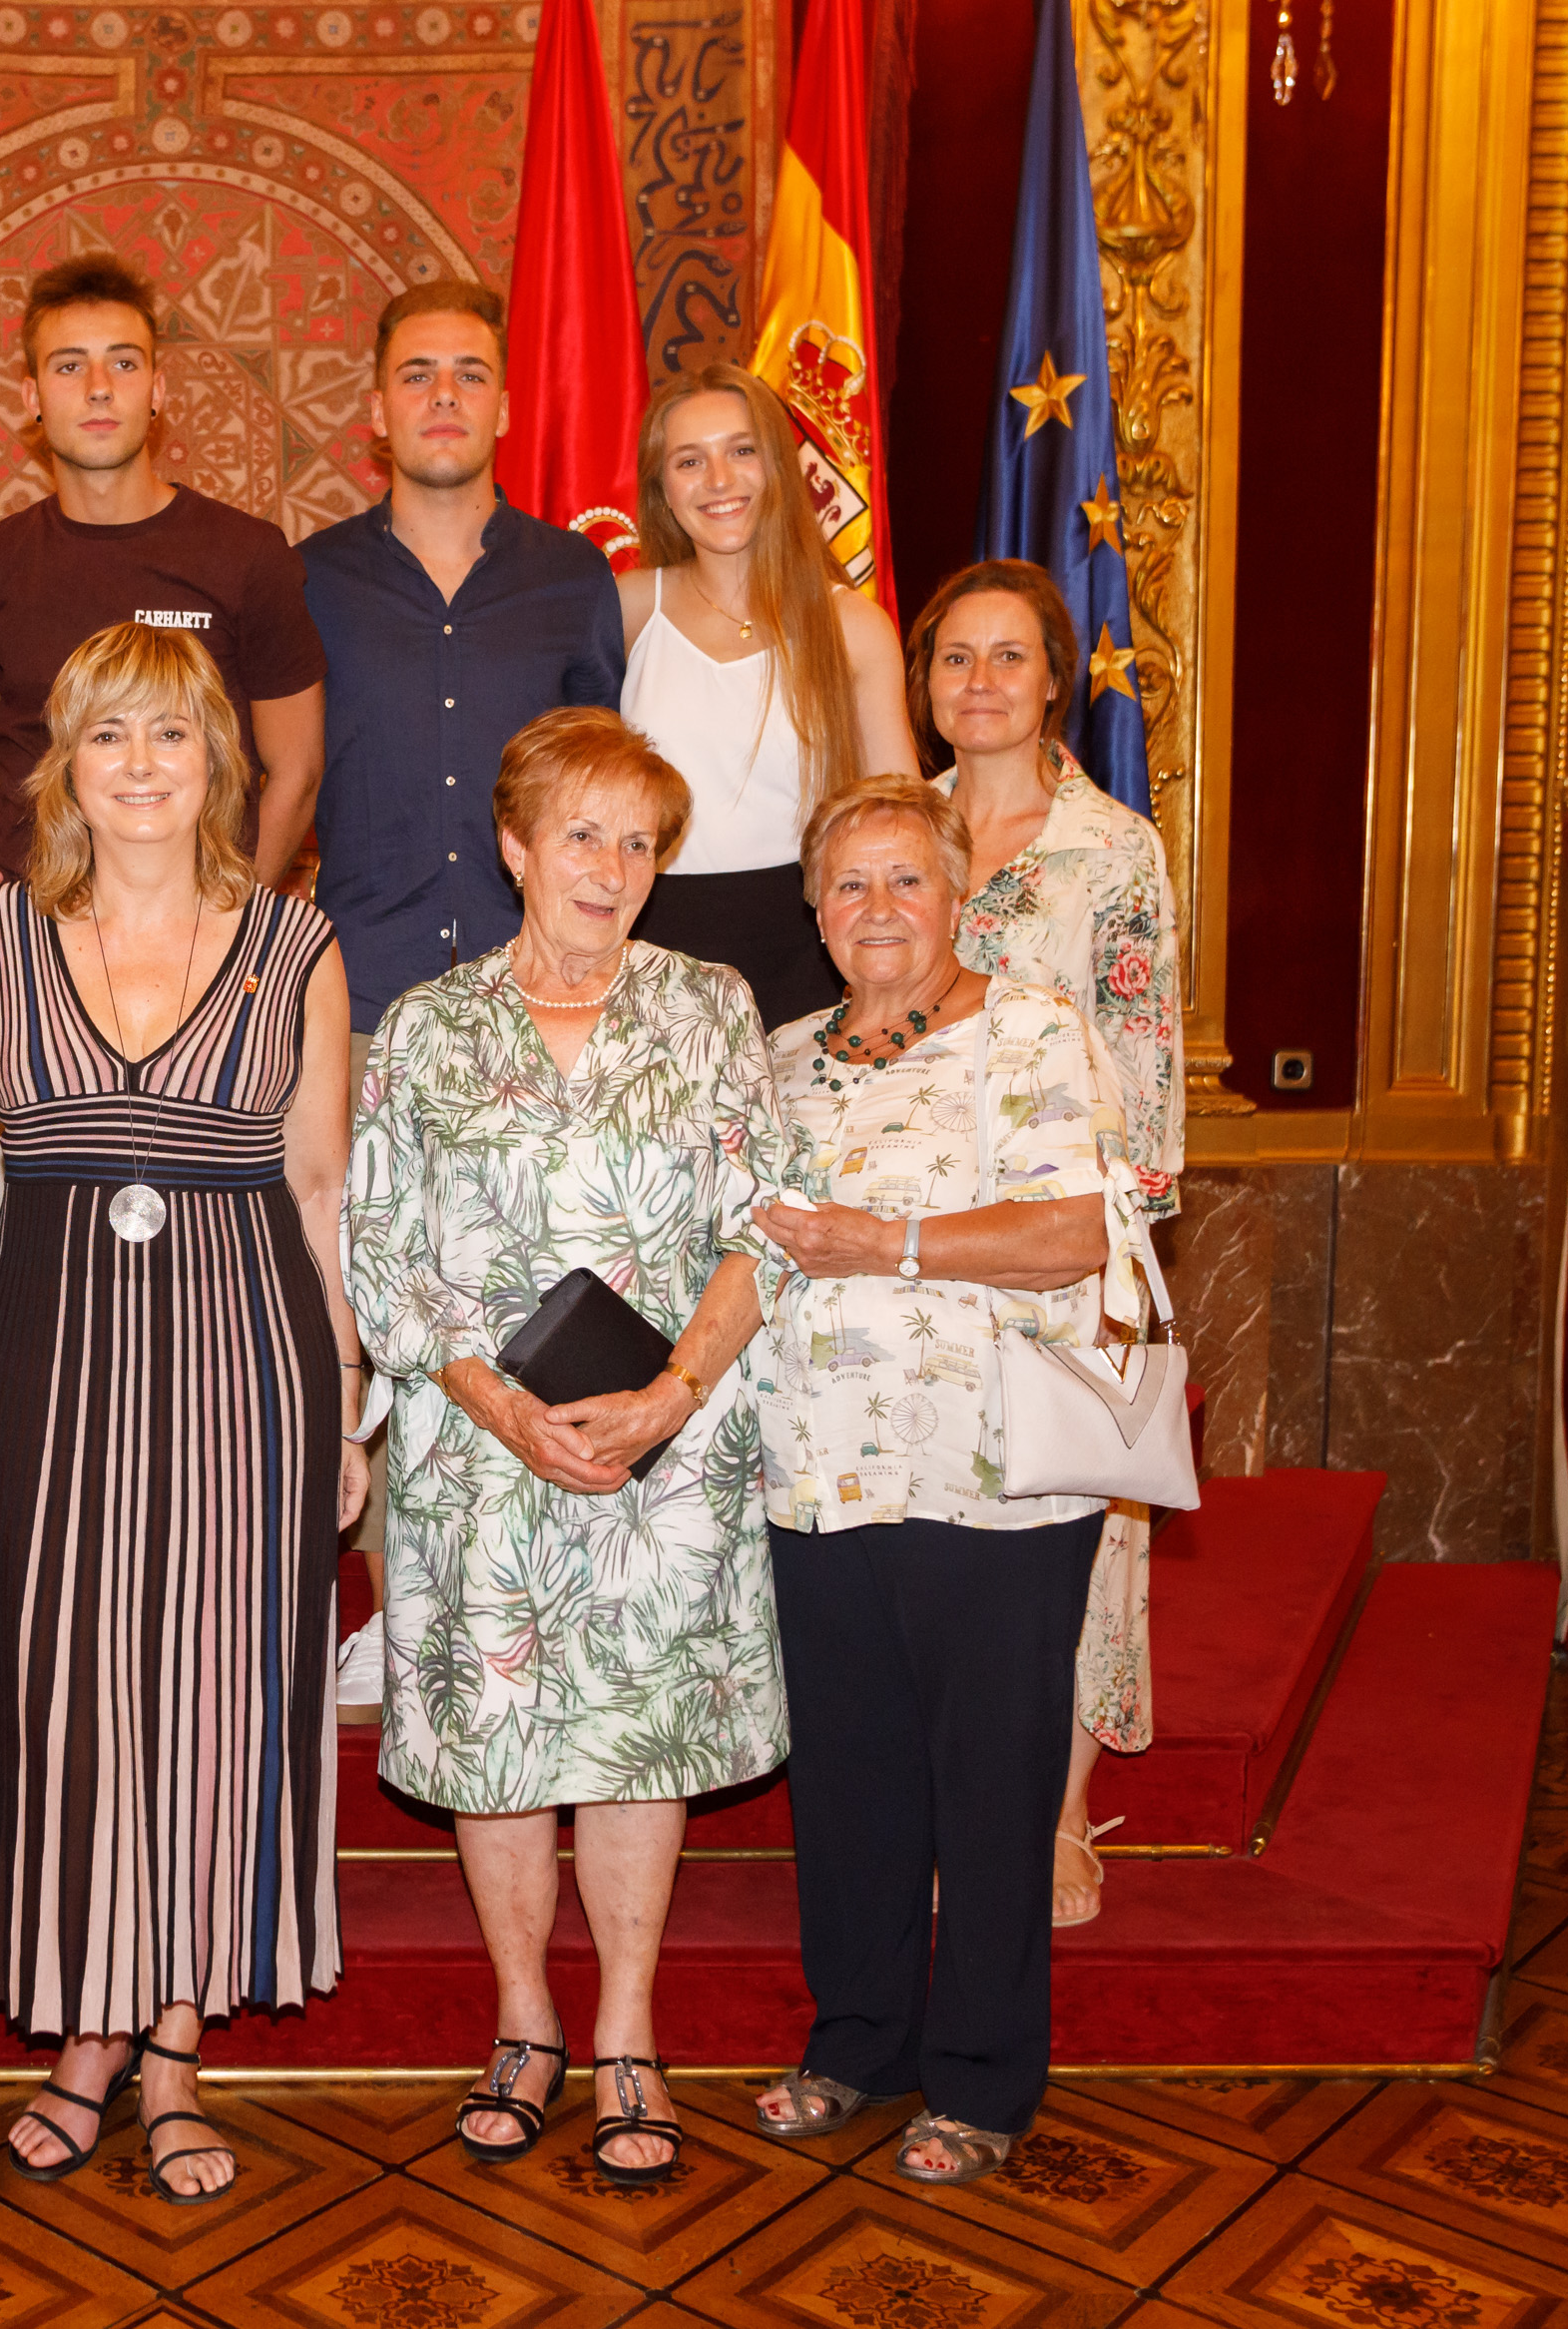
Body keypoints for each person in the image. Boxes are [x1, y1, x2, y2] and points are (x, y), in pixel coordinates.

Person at [345, 707, 810, 2186]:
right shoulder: (428, 1024)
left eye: (639, 842)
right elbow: (381, 1254)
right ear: (514, 846)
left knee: (634, 1737)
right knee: (497, 1748)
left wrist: (671, 1391)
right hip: (481, 1454)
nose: (610, 868)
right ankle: (524, 2021)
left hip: (662, 1452)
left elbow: (766, 1225)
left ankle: (625, 2032)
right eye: (581, 835)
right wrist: (500, 1406)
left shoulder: (711, 1007)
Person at [0, 622, 370, 2204]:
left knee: (212, 1693)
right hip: (48, 1357)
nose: (140, 766)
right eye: (108, 735)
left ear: (219, 764)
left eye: (172, 735)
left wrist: (345, 1405)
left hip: (245, 1355)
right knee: (65, 1686)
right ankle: (86, 2028)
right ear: (64, 764)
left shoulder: (296, 944)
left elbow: (319, 1189)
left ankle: (175, 2056)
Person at [750, 776, 1136, 2186]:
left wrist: (884, 1242)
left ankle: (980, 2076)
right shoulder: (782, 1058)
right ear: (814, 909)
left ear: (958, 897)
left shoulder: (1030, 1029)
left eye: (906, 878)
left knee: (987, 1787)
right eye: (848, 883)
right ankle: (857, 2043)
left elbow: (1070, 1233)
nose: (877, 908)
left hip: (993, 1478)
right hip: (814, 1474)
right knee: (848, 1783)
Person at [298, 278, 629, 1710]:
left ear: (502, 402)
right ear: (375, 409)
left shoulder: (569, 578)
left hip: (531, 1002)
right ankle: (388, 1603)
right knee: (376, 1301)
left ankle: (537, 1591)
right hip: (361, 994)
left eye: (470, 373)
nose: (443, 395)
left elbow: (605, 789)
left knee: (521, 1292)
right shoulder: (308, 579)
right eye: (417, 373)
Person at [910, 559, 1183, 1931]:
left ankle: (1064, 1811)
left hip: (1067, 1236)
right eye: (955, 657)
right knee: (944, 1534)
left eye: (1007, 656)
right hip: (916, 1237)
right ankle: (951, 1810)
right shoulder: (895, 827)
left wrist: (1118, 1263)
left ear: (1053, 679)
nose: (980, 682)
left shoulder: (1111, 849)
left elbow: (1146, 1061)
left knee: (1080, 1529)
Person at [0, 253, 327, 892]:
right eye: (69, 366)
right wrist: (14, 892)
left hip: (204, 916)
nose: (99, 387)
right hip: (38, 922)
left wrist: (235, 918)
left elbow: (297, 771)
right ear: (32, 396)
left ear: (157, 390)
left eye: (123, 363)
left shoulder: (248, 556)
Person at [616, 363, 916, 1028]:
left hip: (814, 959)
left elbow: (902, 828)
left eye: (742, 450)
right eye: (690, 460)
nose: (719, 479)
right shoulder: (628, 610)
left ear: (779, 465)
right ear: (662, 488)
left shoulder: (853, 627)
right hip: (653, 959)